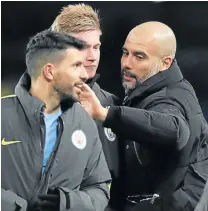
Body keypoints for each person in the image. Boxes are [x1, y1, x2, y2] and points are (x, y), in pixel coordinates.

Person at [78, 21, 208, 211]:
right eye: (125, 53)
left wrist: (105, 114)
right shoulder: (148, 90)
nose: (127, 63)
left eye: (139, 57)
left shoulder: (170, 98)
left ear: (165, 63)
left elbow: (175, 129)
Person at [1, 30, 111, 211]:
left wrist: (68, 203)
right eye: (76, 65)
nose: (85, 74)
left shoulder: (84, 123)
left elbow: (99, 188)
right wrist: (15, 206)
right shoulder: (2, 114)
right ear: (50, 71)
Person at [50, 4, 120, 206]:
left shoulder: (113, 106)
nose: (92, 56)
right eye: (81, 46)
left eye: (96, 47)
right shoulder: (32, 106)